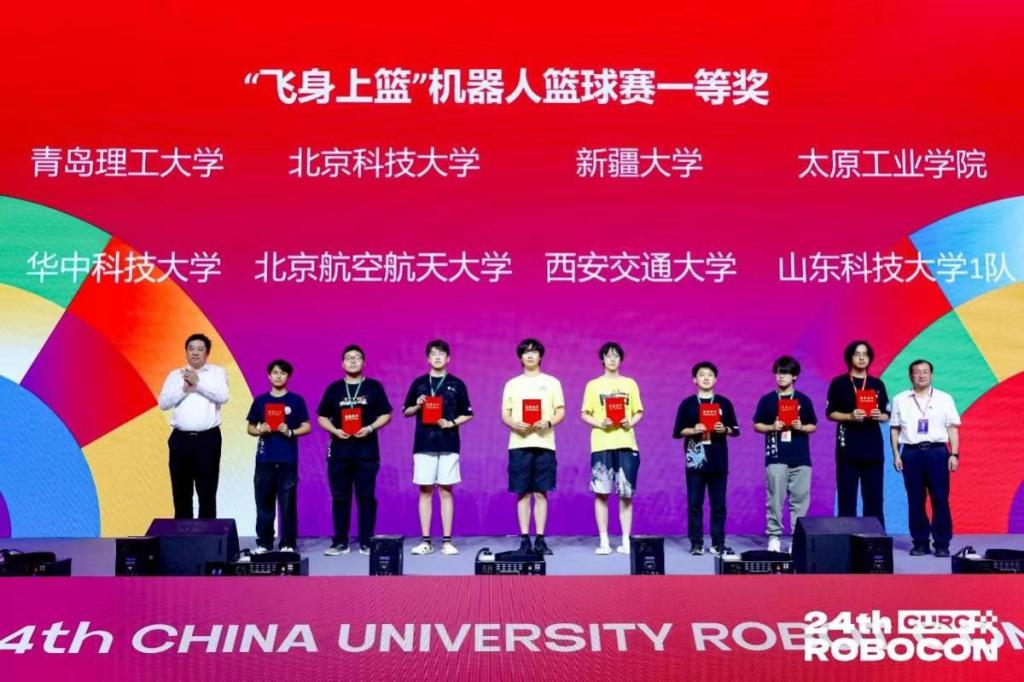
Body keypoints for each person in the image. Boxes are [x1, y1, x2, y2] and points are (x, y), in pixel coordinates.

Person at [317, 345, 393, 556]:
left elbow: (386, 414)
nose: (353, 361)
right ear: (342, 364)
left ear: (364, 363)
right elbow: (322, 416)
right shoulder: (334, 389)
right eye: (349, 358)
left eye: (357, 357)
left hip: (366, 453)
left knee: (366, 497)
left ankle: (366, 541)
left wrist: (370, 428)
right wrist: (335, 430)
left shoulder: (374, 387)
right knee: (340, 498)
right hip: (339, 452)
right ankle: (340, 542)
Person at [402, 339, 474, 556]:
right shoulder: (419, 384)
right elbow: (406, 411)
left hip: (449, 443)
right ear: (428, 358)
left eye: (441, 354)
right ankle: (425, 541)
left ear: (448, 358)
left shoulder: (457, 384)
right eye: (433, 354)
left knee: (445, 491)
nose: (437, 357)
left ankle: (447, 541)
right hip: (423, 443)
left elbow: (468, 413)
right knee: (425, 491)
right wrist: (417, 405)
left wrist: (451, 423)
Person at [889, 359, 961, 557]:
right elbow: (895, 429)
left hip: (937, 452)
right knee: (915, 500)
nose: (921, 375)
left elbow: (952, 429)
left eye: (925, 372)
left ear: (931, 375)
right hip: (911, 453)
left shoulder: (945, 398)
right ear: (910, 376)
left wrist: (954, 454)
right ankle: (920, 542)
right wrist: (896, 454)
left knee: (940, 499)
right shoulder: (900, 399)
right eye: (917, 372)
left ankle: (942, 543)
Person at [501, 338, 565, 555]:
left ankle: (540, 539)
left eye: (534, 352)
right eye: (526, 352)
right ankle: (524, 539)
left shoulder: (552, 382)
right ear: (520, 357)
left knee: (541, 493)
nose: (530, 355)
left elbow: (560, 411)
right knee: (522, 493)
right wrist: (514, 424)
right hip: (519, 444)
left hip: (544, 444)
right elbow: (505, 414)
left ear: (540, 356)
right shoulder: (512, 384)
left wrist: (548, 422)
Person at [581, 342, 644, 555]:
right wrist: (600, 423)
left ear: (621, 359)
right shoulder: (593, 385)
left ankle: (626, 540)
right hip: (602, 444)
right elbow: (585, 413)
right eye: (608, 356)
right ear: (602, 359)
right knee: (601, 493)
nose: (612, 359)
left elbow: (638, 411)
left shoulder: (630, 384)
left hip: (626, 443)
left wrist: (629, 422)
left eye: (616, 356)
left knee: (626, 494)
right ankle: (604, 541)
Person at [158, 333, 230, 519]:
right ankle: (183, 532)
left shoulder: (217, 373)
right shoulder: (175, 375)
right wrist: (184, 390)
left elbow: (223, 396)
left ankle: (207, 534)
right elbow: (163, 403)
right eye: (191, 349)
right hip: (180, 440)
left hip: (208, 440)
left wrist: (198, 384)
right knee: (181, 490)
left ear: (207, 353)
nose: (195, 353)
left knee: (207, 491)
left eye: (200, 349)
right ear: (186, 352)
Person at [672, 361, 739, 556]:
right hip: (696, 460)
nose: (706, 378)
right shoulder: (687, 404)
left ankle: (718, 543)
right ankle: (696, 543)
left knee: (719, 505)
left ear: (715, 379)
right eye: (701, 375)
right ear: (695, 380)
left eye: (710, 375)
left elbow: (735, 430)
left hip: (718, 461)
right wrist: (694, 430)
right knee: (695, 504)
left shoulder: (724, 403)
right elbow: (678, 432)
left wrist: (724, 429)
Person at [245, 359, 311, 554]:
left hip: (287, 460)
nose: (278, 376)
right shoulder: (260, 401)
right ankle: (264, 543)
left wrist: (290, 431)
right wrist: (260, 429)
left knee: (288, 504)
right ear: (269, 376)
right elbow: (250, 427)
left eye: (282, 373)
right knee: (263, 503)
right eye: (275, 372)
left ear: (288, 377)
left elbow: (307, 426)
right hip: (264, 460)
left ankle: (288, 543)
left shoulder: (296, 401)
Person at [753, 355, 817, 553]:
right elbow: (757, 425)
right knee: (774, 499)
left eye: (785, 373)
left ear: (794, 376)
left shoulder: (803, 400)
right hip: (776, 457)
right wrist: (772, 427)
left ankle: (797, 540)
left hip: (801, 458)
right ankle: (774, 537)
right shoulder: (767, 400)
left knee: (800, 500)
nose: (781, 377)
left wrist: (801, 426)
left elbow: (813, 426)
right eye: (778, 373)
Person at [825, 340, 890, 528]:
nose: (862, 358)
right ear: (849, 357)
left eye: (865, 354)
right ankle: (846, 537)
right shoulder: (839, 383)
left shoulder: (877, 384)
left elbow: (887, 414)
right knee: (847, 497)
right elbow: (830, 413)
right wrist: (849, 416)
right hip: (848, 449)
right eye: (857, 354)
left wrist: (880, 416)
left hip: (873, 448)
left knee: (874, 497)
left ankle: (875, 537)